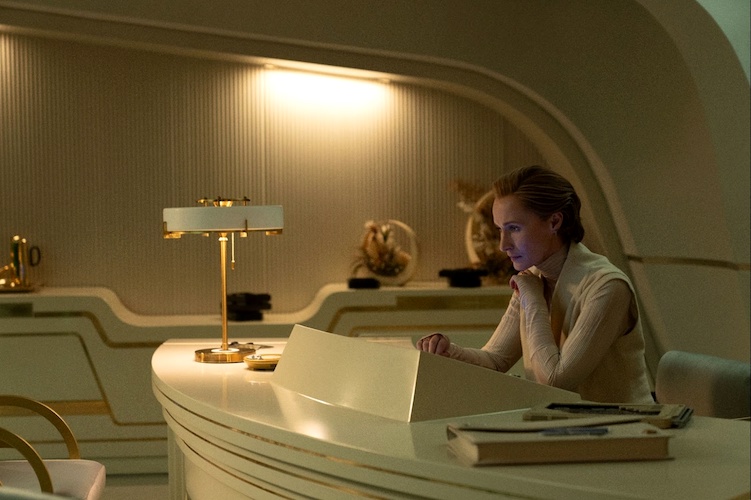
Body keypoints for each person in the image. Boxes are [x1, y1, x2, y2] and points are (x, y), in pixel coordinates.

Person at [417, 165, 654, 404]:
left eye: (514, 228)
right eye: (500, 229)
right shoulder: (532, 278)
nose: (503, 245)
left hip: (627, 425)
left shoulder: (607, 286)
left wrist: (533, 301)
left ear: (554, 222)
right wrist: (447, 351)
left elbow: (555, 381)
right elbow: (495, 360)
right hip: (561, 423)